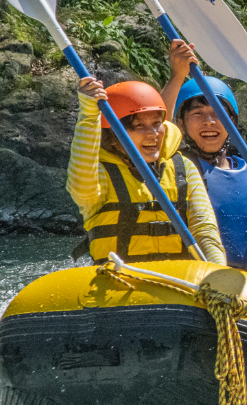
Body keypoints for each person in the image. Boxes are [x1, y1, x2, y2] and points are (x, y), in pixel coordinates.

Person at [160, 41, 247, 275]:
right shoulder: (174, 166)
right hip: (201, 283)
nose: (209, 121)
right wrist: (177, 77)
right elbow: (157, 128)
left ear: (232, 122)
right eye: (197, 114)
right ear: (180, 122)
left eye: (218, 114)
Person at [69, 77, 226, 266]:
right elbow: (81, 180)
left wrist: (218, 274)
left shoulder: (184, 169)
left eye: (157, 123)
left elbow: (204, 229)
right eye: (139, 126)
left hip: (179, 282)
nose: (153, 133)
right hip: (116, 280)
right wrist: (88, 114)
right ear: (112, 136)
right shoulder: (99, 174)